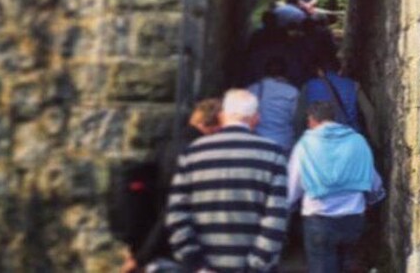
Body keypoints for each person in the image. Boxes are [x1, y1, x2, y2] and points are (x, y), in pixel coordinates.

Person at [166, 90, 288, 273]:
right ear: (256, 118)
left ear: (222, 117)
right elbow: (276, 218)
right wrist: (255, 265)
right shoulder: (273, 154)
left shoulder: (193, 153)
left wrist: (196, 264)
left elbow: (177, 213)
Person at [120, 99, 222, 273]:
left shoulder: (166, 146)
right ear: (213, 126)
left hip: (158, 239)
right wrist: (142, 257)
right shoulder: (197, 154)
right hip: (181, 244)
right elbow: (172, 209)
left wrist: (140, 251)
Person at [288, 102, 385, 273]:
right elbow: (373, 181)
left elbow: (293, 186)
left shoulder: (305, 144)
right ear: (333, 118)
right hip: (353, 218)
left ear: (311, 120)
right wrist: (373, 200)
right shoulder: (357, 141)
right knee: (349, 265)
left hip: (318, 218)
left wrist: (287, 208)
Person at [294, 47, 380, 151]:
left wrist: (300, 143)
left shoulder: (308, 87)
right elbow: (370, 114)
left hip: (321, 144)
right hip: (350, 142)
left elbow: (298, 119)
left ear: (319, 70)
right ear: (339, 69)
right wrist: (377, 144)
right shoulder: (353, 85)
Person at [247, 56, 300, 154]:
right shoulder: (292, 92)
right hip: (283, 143)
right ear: (285, 73)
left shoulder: (252, 89)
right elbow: (296, 119)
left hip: (258, 142)